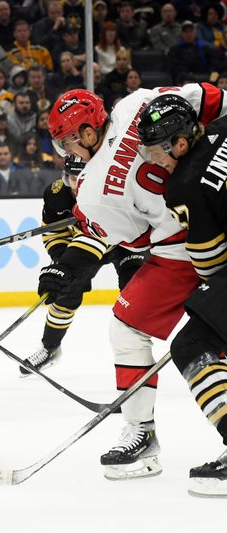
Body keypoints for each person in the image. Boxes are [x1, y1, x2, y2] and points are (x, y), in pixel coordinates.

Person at [46, 84, 227, 481]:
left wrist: (68, 264)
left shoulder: (92, 191)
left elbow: (131, 239)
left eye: (66, 144)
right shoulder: (135, 103)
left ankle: (142, 434)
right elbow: (209, 98)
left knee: (128, 329)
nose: (66, 153)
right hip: (212, 217)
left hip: (183, 249)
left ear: (88, 134)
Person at [134, 94, 227, 497]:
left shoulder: (184, 184)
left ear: (182, 143)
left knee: (193, 342)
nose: (152, 160)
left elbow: (210, 264)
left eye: (157, 151)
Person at [24, 155, 145, 375]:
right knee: (66, 288)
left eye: (82, 178)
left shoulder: (110, 190)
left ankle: (137, 355)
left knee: (135, 289)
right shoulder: (56, 195)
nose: (77, 184)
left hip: (123, 243)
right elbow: (53, 232)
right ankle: (50, 348)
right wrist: (62, 260)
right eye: (72, 178)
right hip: (83, 246)